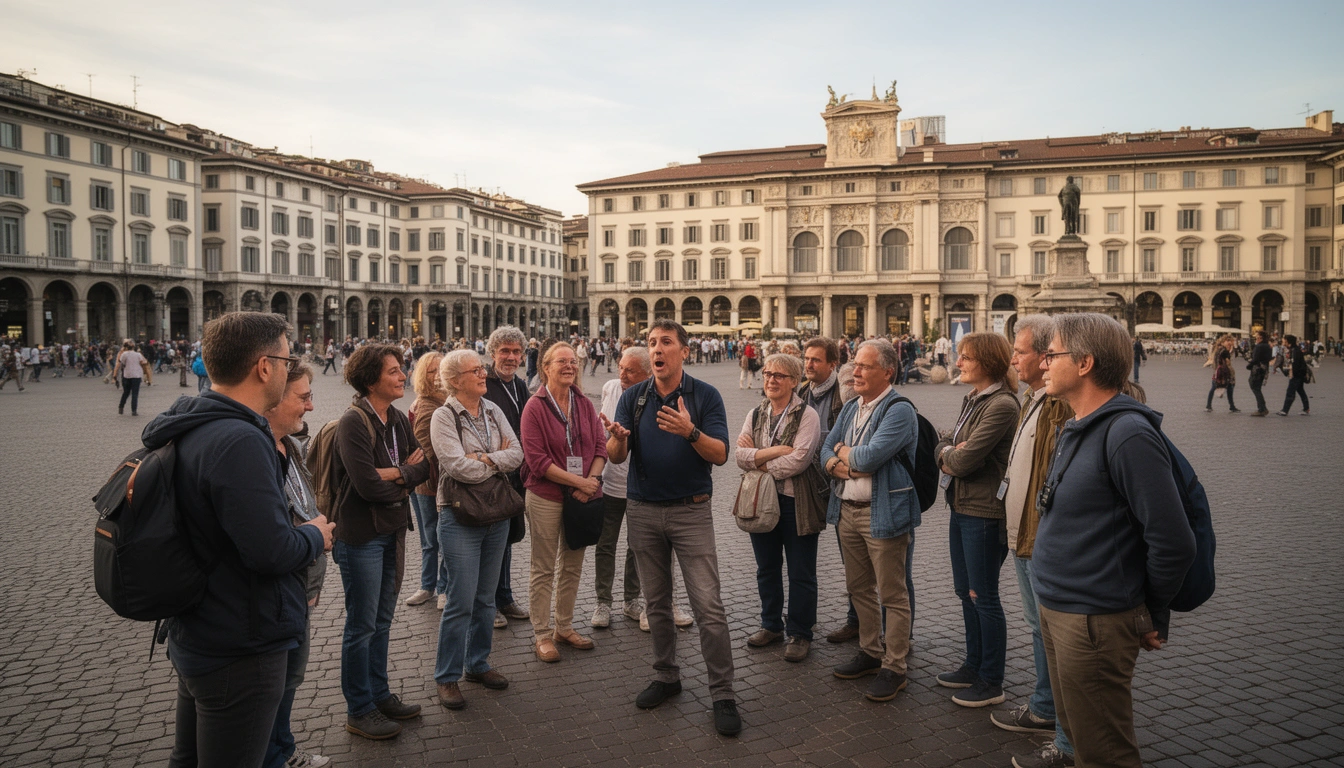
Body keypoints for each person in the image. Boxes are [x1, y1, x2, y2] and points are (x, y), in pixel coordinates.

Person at [143, 312, 333, 768]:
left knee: (188, 758)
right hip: (242, 639)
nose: (291, 368)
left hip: (200, 627)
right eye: (288, 359)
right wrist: (314, 534)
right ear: (264, 367)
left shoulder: (192, 423)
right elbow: (271, 551)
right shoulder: (240, 440)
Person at [1028, 313, 1197, 768]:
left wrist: (1150, 609)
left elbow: (1173, 541)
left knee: (1104, 750)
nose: (1042, 363)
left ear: (1084, 362)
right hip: (1060, 606)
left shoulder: (1127, 433)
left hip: (1094, 620)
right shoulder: (1075, 423)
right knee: (1082, 739)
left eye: (1052, 353)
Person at [603, 319, 741, 736]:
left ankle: (723, 694)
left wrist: (690, 431)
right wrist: (618, 439)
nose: (657, 349)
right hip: (643, 510)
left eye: (665, 342)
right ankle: (666, 676)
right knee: (656, 604)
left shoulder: (705, 395)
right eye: (652, 343)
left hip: (690, 510)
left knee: (708, 607)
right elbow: (613, 455)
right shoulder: (633, 396)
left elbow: (719, 454)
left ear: (683, 350)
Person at [331, 343, 431, 740]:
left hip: (391, 529)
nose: (402, 375)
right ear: (372, 379)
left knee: (383, 620)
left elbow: (423, 465)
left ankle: (379, 693)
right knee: (361, 624)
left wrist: (396, 474)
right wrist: (401, 475)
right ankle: (359, 708)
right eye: (393, 371)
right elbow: (367, 485)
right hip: (361, 536)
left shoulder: (396, 419)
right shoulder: (353, 422)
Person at [993, 316, 1076, 768]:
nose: (1013, 359)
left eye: (1019, 351)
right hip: (1023, 535)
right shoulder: (1033, 398)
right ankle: (1046, 707)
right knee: (1039, 630)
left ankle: (1066, 736)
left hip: (1039, 539)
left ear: (1046, 356)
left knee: (1054, 637)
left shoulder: (1059, 405)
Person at [821, 340, 920, 703]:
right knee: (858, 588)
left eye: (864, 366)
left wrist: (844, 456)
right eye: (855, 365)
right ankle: (869, 651)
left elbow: (869, 456)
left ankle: (895, 666)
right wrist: (840, 462)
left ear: (888, 371)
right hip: (847, 511)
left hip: (884, 514)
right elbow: (824, 448)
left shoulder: (898, 410)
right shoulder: (851, 408)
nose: (855, 371)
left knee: (892, 593)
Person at [429, 349, 524, 710]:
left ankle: (478, 663)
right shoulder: (443, 416)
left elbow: (517, 453)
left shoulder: (492, 409)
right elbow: (455, 467)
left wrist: (483, 459)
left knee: (486, 598)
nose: (483, 374)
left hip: (496, 513)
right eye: (475, 370)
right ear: (455, 380)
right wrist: (495, 460)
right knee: (460, 600)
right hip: (459, 516)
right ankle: (447, 676)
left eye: (482, 369)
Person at [934, 333, 1020, 708]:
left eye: (965, 358)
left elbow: (962, 461)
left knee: (982, 596)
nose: (958, 363)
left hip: (984, 512)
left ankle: (991, 679)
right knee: (963, 591)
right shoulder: (974, 400)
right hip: (961, 504)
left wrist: (951, 451)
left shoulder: (1001, 405)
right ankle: (973, 664)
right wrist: (949, 449)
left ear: (985, 361)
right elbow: (947, 444)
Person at [261, 363, 332, 768]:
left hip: (301, 582)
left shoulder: (292, 446)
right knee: (275, 682)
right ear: (271, 398)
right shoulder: (255, 454)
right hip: (278, 589)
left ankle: (281, 748)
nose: (310, 405)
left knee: (291, 677)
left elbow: (306, 505)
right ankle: (273, 755)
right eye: (302, 397)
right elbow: (271, 537)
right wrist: (314, 534)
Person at [520, 342, 607, 662]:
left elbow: (601, 447)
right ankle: (542, 634)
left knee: (572, 564)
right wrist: (579, 482)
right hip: (546, 496)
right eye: (562, 362)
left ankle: (564, 626)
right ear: (545, 367)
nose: (570, 366)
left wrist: (592, 482)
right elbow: (538, 461)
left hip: (583, 495)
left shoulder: (584, 403)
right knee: (543, 568)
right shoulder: (535, 407)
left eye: (573, 361)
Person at [735, 353, 822, 662]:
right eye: (768, 374)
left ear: (794, 382)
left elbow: (798, 461)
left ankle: (800, 633)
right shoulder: (755, 413)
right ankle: (771, 624)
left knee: (801, 571)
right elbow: (738, 456)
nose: (770, 379)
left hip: (795, 502)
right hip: (761, 500)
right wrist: (771, 452)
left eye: (779, 376)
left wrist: (757, 459)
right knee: (767, 567)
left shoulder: (807, 415)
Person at [800, 338, 862, 644]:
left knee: (852, 557)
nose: (808, 364)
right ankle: (801, 620)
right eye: (806, 359)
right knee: (802, 558)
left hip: (838, 484)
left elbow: (846, 443)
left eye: (815, 360)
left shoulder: (845, 395)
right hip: (806, 486)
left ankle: (859, 620)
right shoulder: (800, 393)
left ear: (832, 365)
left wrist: (835, 459)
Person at [592, 347, 650, 628]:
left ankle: (631, 599)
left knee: (637, 545)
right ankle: (603, 601)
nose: (622, 374)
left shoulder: (653, 393)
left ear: (646, 374)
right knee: (605, 543)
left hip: (640, 485)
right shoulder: (610, 388)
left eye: (630, 370)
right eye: (621, 367)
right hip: (611, 481)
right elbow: (599, 431)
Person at [482, 326, 533, 627]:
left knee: (507, 539)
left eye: (516, 352)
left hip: (516, 475)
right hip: (493, 475)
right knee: (492, 543)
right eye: (505, 351)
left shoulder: (521, 386)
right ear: (493, 354)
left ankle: (505, 597)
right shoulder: (484, 383)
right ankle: (489, 604)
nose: (511, 357)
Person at [404, 352, 448, 610]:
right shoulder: (424, 404)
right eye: (432, 371)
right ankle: (428, 585)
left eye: (441, 370)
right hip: (426, 483)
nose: (438, 375)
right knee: (431, 537)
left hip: (439, 481)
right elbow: (422, 448)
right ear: (423, 375)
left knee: (441, 536)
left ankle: (440, 586)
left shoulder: (447, 400)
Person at [1205, 335, 1239, 413]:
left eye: (1231, 341)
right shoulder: (1224, 351)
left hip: (1217, 371)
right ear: (1223, 342)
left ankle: (1208, 405)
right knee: (1230, 387)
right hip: (1224, 372)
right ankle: (1232, 406)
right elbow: (1228, 362)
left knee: (1214, 387)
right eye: (1228, 341)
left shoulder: (1218, 349)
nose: (1229, 343)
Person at [114, 340, 149, 415]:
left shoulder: (124, 354)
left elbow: (122, 363)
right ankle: (134, 410)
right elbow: (143, 362)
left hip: (127, 374)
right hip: (136, 374)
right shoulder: (138, 355)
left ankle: (121, 406)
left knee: (126, 392)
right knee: (135, 394)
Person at [1278, 334, 1310, 416]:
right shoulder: (1294, 349)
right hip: (1298, 374)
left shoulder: (1295, 350)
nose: (1282, 341)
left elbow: (1295, 364)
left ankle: (1285, 410)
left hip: (1296, 375)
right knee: (1301, 391)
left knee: (1290, 392)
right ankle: (1306, 408)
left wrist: (1291, 373)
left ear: (1288, 341)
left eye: (1284, 340)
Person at [1247, 331, 1272, 416]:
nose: (1255, 339)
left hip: (1257, 369)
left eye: (1257, 337)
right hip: (1264, 369)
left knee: (1255, 388)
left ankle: (1262, 409)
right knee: (1257, 388)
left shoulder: (1259, 347)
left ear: (1260, 338)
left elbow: (1255, 359)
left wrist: (1249, 365)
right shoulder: (1268, 346)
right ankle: (1262, 408)